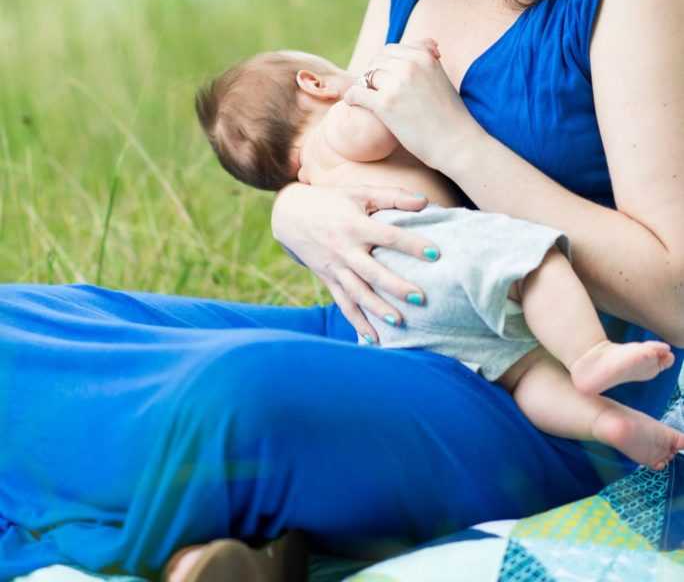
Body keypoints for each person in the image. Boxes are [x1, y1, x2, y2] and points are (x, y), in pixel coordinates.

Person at [1, 0, 683, 582]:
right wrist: (296, 214)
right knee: (20, 324)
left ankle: (118, 553)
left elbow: (670, 290)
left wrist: (461, 147)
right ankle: (218, 549)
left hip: (545, 392)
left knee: (235, 399)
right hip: (385, 342)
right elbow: (336, 155)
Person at [194, 45, 682, 471]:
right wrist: (399, 68)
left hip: (395, 316)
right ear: (314, 83)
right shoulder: (338, 127)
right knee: (535, 263)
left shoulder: (310, 185)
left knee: (521, 371)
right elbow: (379, 121)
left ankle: (610, 424)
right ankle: (590, 355)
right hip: (433, 247)